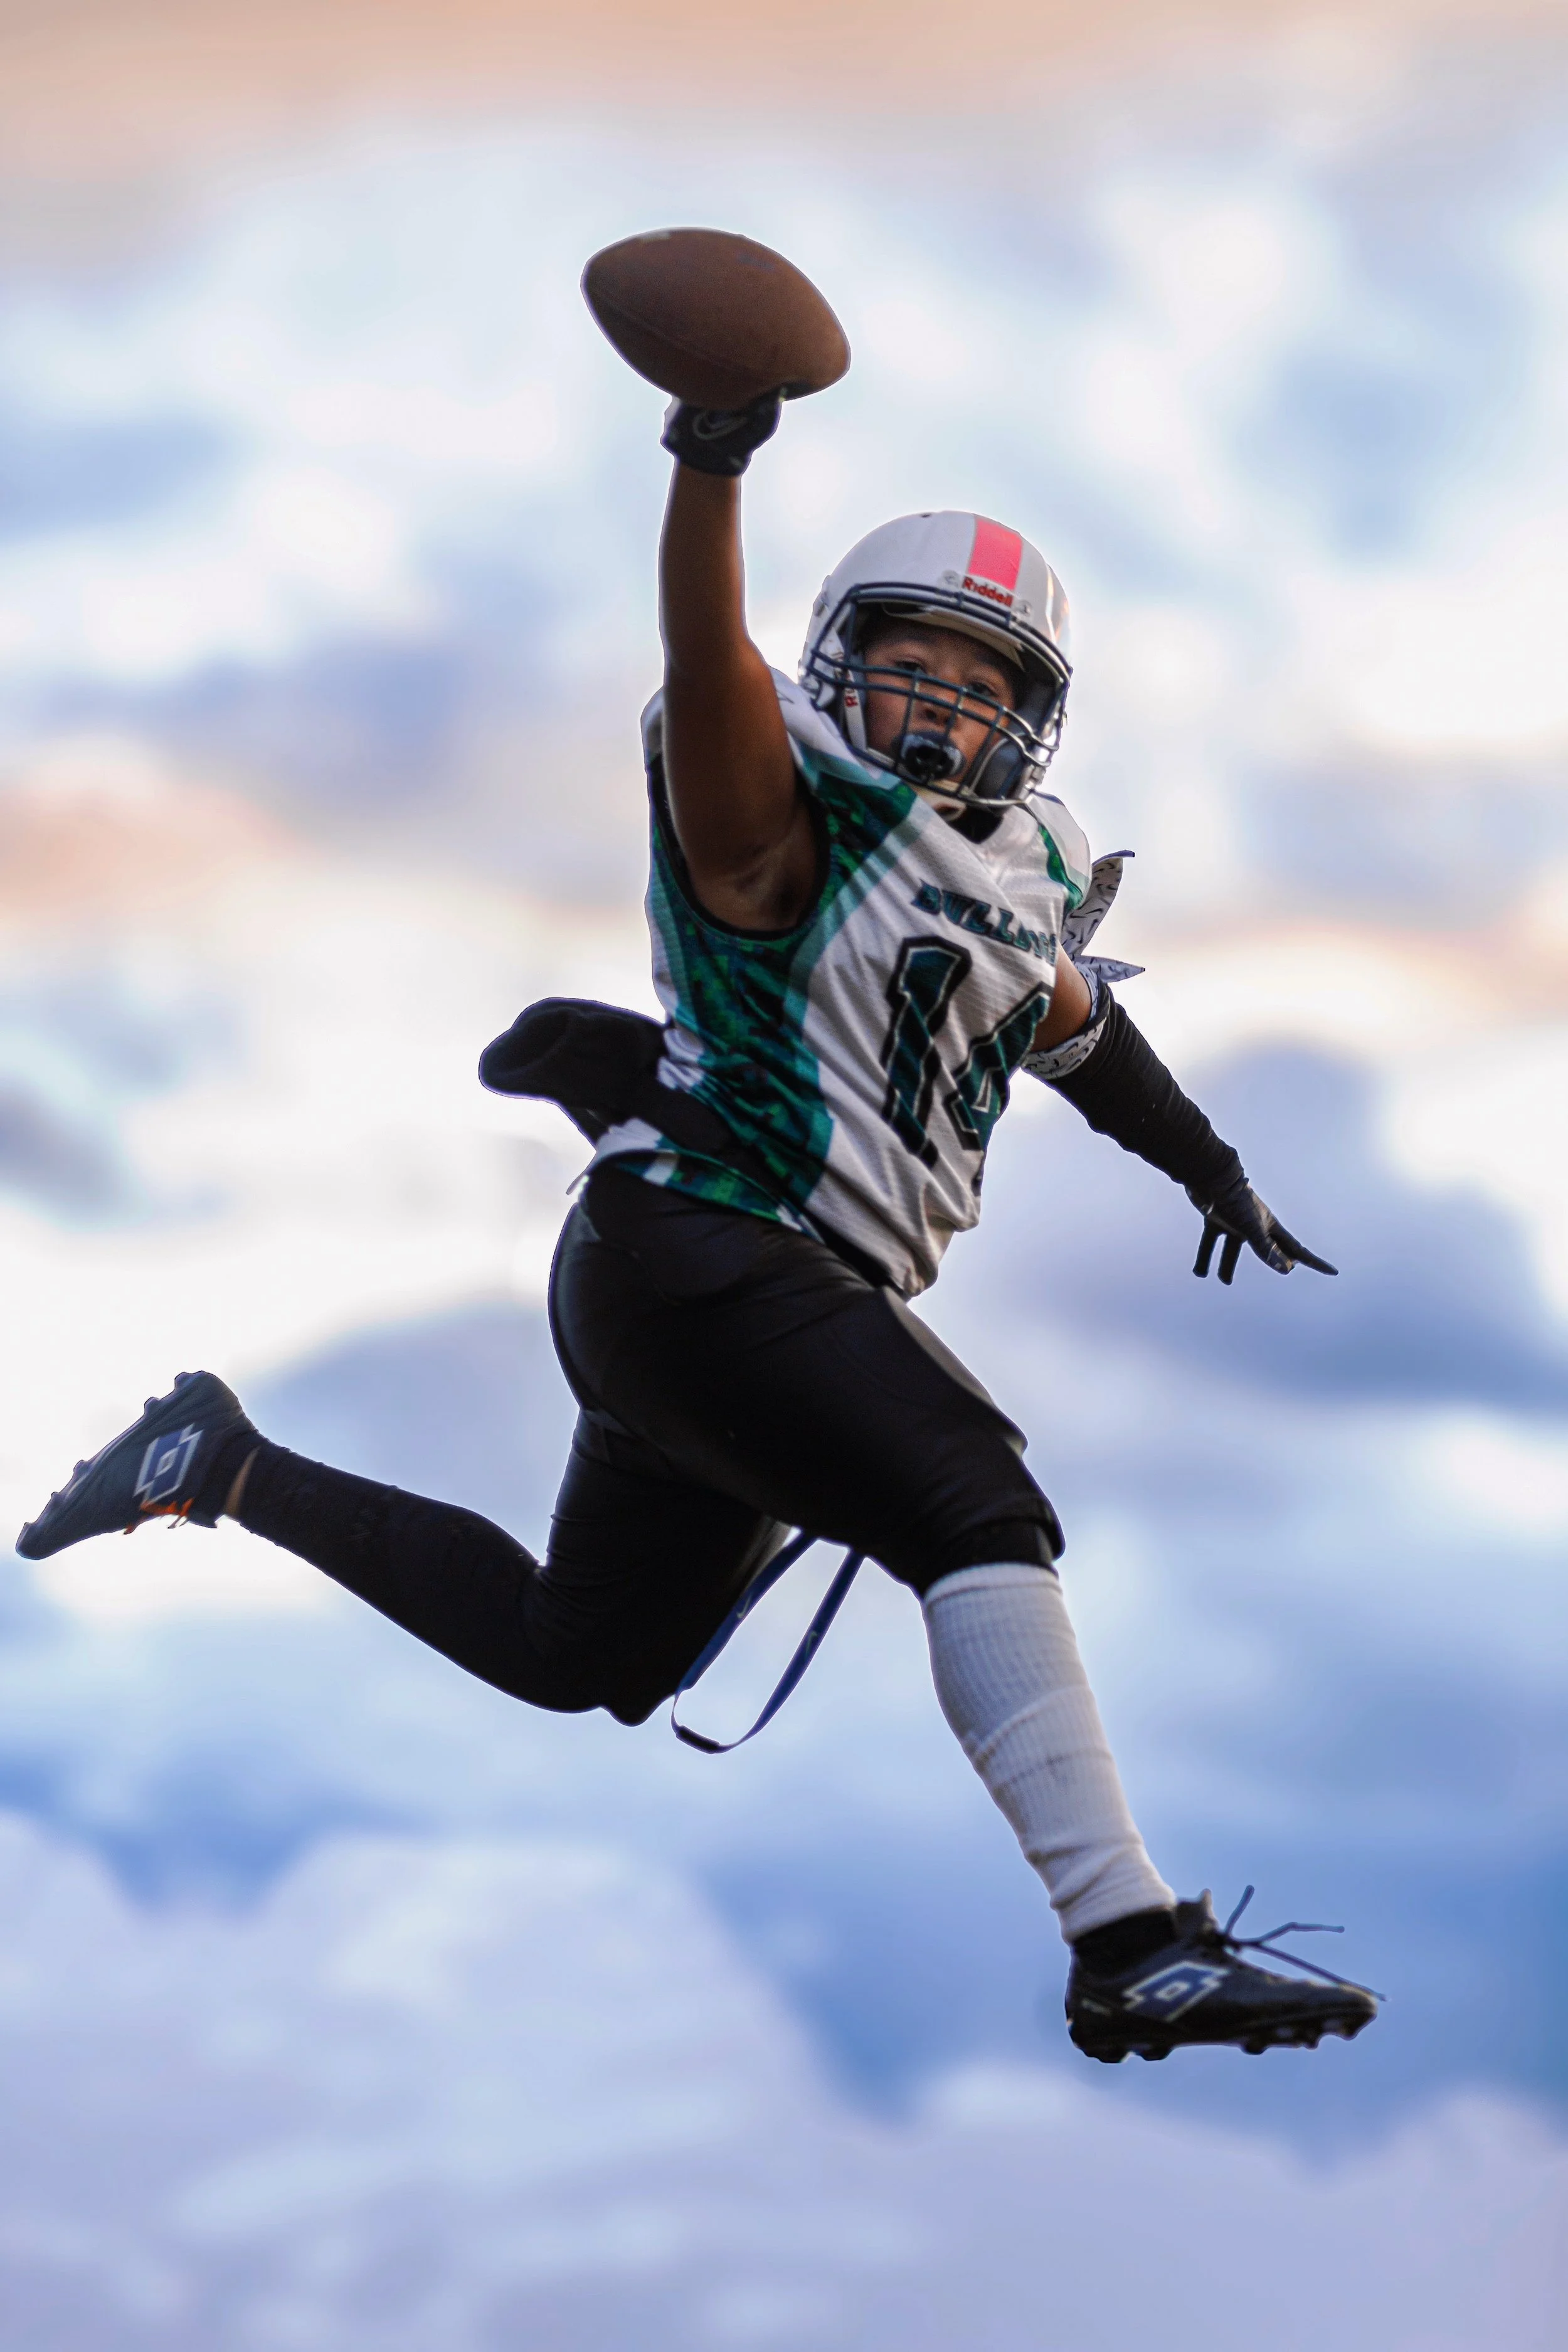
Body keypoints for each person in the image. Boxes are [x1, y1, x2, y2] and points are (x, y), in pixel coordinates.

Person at [16, 388, 1376, 2064]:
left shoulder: (1018, 864)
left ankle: (215, 1464)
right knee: (974, 1500)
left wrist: (1207, 1163)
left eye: (981, 686)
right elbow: (707, 650)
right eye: (914, 669)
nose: (944, 710)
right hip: (707, 1244)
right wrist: (709, 464)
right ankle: (1127, 1938)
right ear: (835, 664)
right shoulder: (778, 810)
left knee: (578, 1653)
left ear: (1031, 723)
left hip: (725, 1295)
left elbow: (1070, 1022)